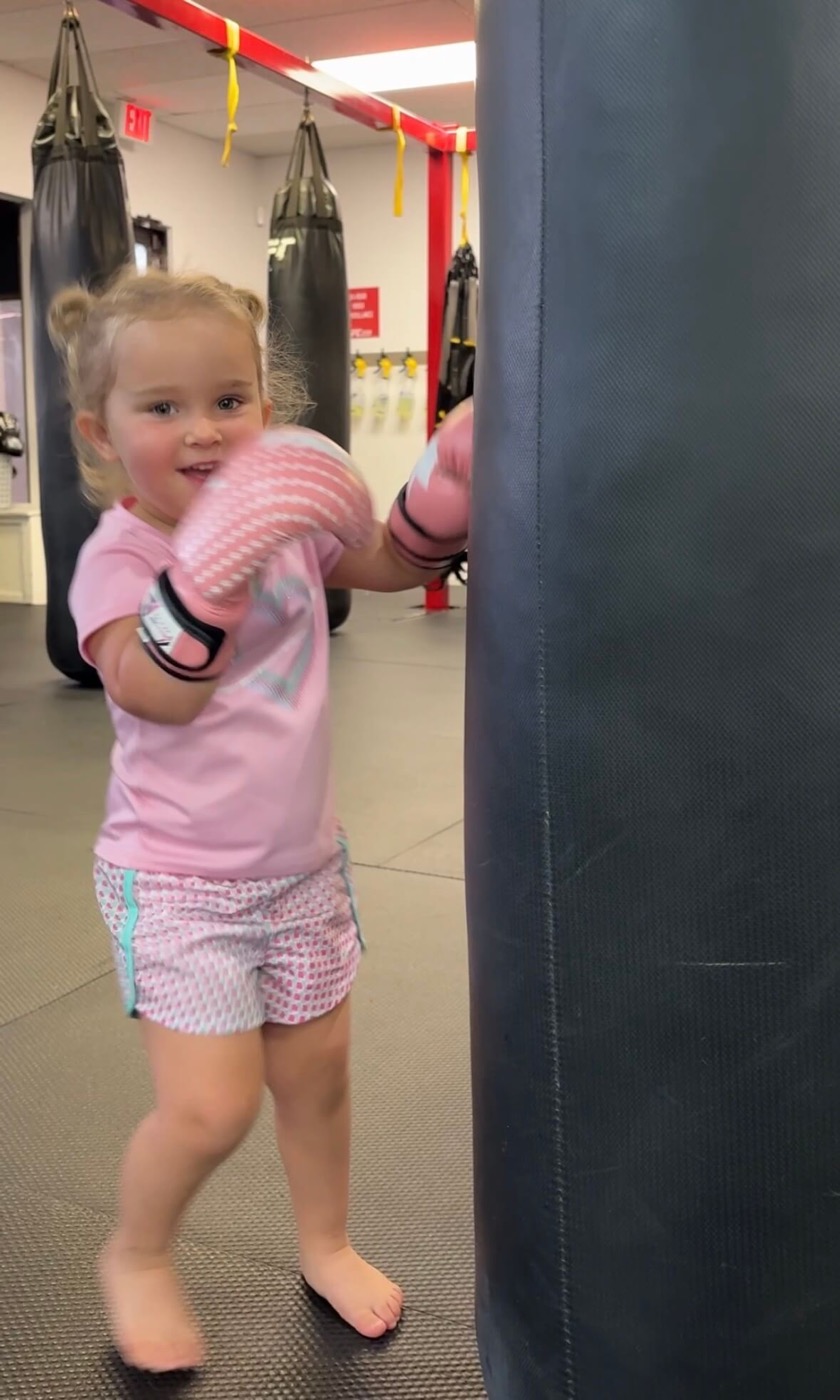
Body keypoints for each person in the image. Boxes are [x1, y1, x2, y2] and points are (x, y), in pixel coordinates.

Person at [55, 267, 473, 1375]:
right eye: (164, 408)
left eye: (230, 400)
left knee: (319, 1074)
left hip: (302, 866)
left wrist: (448, 484)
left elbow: (381, 561)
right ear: (103, 433)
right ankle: (139, 1251)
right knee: (208, 1110)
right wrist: (212, 569)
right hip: (180, 879)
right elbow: (154, 690)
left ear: (266, 409)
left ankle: (325, 1240)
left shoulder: (286, 521)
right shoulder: (120, 556)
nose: (204, 430)